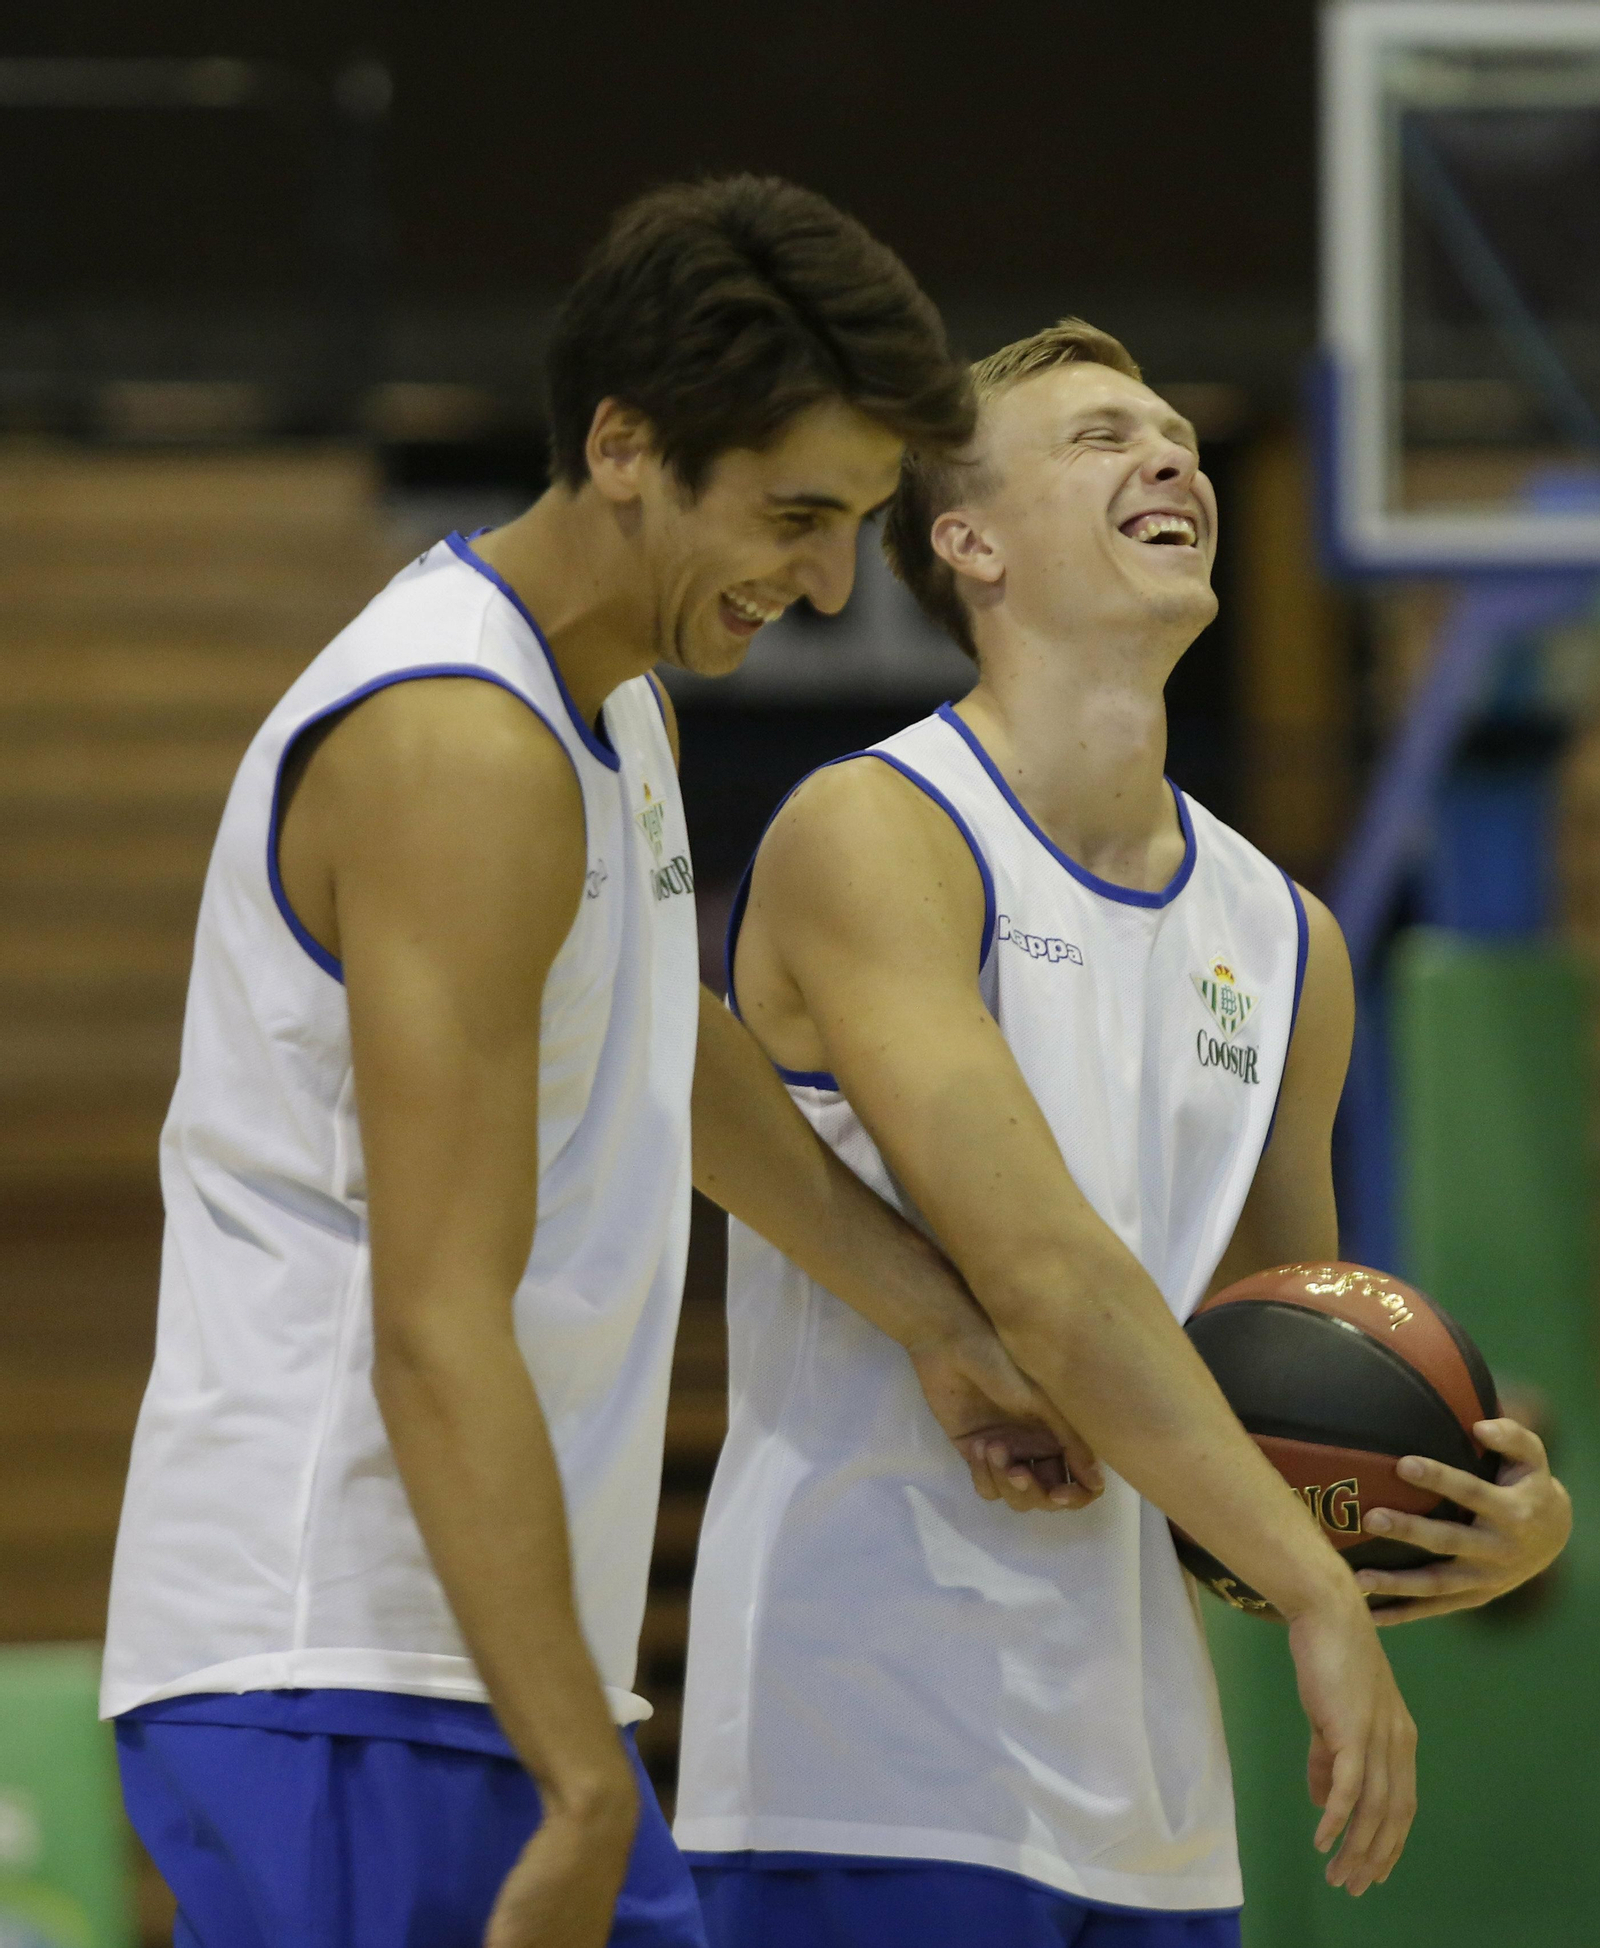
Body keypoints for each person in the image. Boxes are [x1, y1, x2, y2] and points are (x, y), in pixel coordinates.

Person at [99, 178, 1086, 1948]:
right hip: (343, 1654)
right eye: (795, 514)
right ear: (624, 443)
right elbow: (431, 1317)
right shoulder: (456, 747)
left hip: (474, 1665)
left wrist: (934, 1316)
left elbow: (662, 1048)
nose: (828, 578)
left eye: (857, 520)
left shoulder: (604, 696)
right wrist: (574, 1777)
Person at [675, 319, 1571, 1947]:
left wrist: (1466, 1510)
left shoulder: (1290, 939)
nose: (1170, 457)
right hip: (865, 1753)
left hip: (1150, 1795)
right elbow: (1039, 1271)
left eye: (1175, 433)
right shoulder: (876, 830)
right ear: (971, 541)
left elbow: (1283, 1361)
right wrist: (1313, 1598)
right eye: (1099, 437)